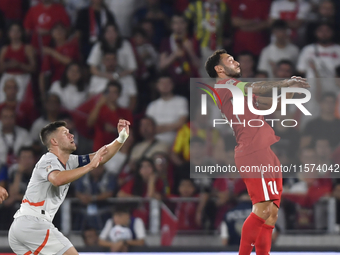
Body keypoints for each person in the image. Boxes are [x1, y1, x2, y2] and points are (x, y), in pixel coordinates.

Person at [204, 49, 309, 255]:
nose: (236, 62)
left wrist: (290, 94)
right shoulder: (225, 86)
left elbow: (271, 105)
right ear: (219, 69)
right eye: (230, 60)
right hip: (251, 152)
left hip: (266, 152)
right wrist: (285, 83)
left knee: (271, 214)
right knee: (261, 210)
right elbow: (256, 86)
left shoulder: (238, 93)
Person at [8, 119, 130, 255]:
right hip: (33, 224)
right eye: (66, 133)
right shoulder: (48, 159)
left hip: (22, 227)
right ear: (54, 141)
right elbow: (57, 179)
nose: (71, 135)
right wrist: (89, 167)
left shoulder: (70, 161)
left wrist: (121, 138)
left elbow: (101, 157)